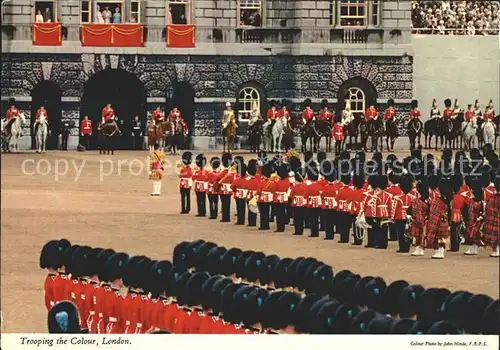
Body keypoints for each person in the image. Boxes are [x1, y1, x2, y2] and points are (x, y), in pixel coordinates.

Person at [426, 178, 453, 259]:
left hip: (437, 220)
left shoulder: (437, 201)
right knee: (442, 237)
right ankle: (441, 252)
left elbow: (433, 213)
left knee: (437, 237)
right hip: (444, 221)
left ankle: (438, 252)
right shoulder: (448, 200)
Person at [392, 174, 415, 253]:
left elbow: (394, 208)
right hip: (410, 217)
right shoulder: (413, 197)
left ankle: (402, 248)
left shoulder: (397, 197)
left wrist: (392, 217)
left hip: (399, 217)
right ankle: (407, 247)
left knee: (400, 233)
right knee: (408, 232)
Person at [409, 179, 430, 256]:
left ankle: (418, 249)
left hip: (418, 220)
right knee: (423, 235)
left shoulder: (416, 201)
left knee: (418, 235)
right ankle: (421, 249)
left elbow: (416, 213)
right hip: (426, 219)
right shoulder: (428, 200)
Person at [463, 179, 484, 256]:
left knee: (470, 235)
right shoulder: (480, 201)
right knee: (475, 235)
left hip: (472, 220)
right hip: (477, 220)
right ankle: (474, 249)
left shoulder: (473, 201)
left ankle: (471, 248)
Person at [483, 174, 500, 257]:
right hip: (495, 216)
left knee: (496, 234)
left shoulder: (495, 196)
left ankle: (496, 250)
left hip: (495, 217)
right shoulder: (494, 195)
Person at [272, 163, 291, 233]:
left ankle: (280, 227)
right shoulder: (288, 180)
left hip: (278, 199)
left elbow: (273, 189)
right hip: (286, 198)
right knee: (283, 212)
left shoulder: (277, 182)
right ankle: (283, 224)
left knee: (279, 213)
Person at [217, 153, 235, 223]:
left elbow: (217, 178)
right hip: (229, 188)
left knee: (224, 203)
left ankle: (225, 217)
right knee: (227, 203)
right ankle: (227, 217)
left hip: (222, 188)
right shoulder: (232, 171)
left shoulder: (223, 171)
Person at [257, 163, 274, 230]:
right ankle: (267, 225)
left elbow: (259, 191)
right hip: (269, 198)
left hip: (262, 198)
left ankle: (263, 225)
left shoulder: (262, 182)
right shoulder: (271, 182)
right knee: (267, 211)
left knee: (263, 212)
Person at [232, 161, 248, 226]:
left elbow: (232, 186)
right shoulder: (248, 177)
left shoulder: (237, 179)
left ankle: (240, 221)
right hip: (246, 194)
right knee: (245, 208)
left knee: (239, 208)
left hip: (238, 194)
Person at [245, 159, 260, 227]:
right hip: (255, 195)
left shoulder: (247, 179)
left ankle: (251, 222)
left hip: (249, 195)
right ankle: (253, 221)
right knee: (254, 207)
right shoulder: (258, 178)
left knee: (249, 208)